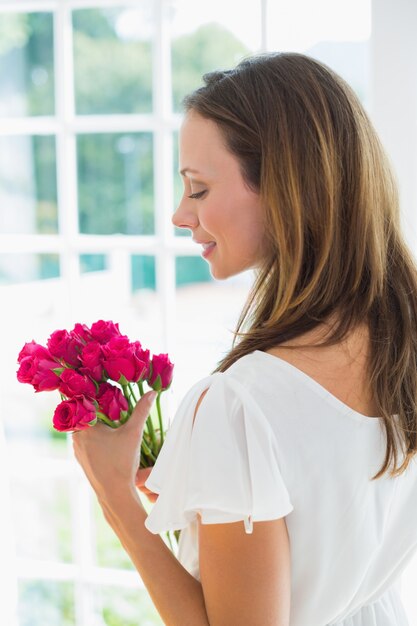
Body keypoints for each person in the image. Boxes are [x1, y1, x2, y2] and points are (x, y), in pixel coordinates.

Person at [73, 52, 417, 625]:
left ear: (285, 186)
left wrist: (116, 498)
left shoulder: (240, 405)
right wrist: (219, 497)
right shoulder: (402, 340)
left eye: (199, 189)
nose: (180, 215)